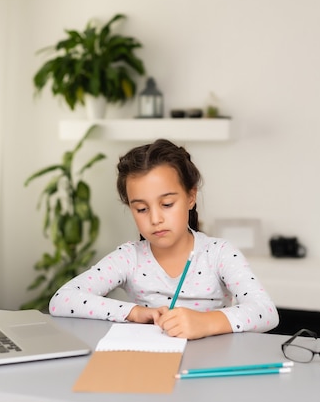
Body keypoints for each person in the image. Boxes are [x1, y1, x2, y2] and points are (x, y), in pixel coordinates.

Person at [49, 139, 279, 339]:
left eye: (167, 204)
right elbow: (61, 300)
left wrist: (205, 323)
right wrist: (134, 312)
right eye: (141, 209)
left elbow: (266, 312)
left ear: (191, 197)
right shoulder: (130, 257)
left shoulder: (219, 253)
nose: (155, 219)